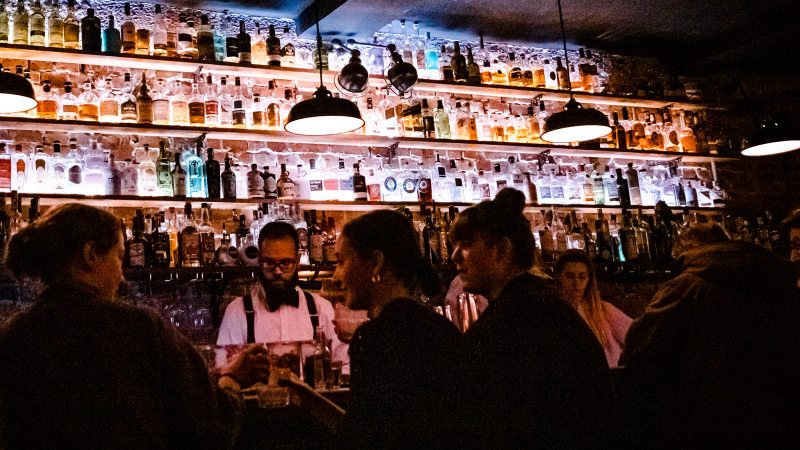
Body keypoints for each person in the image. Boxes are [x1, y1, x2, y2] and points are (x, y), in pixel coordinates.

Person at [0, 203, 269, 449]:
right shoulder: (139, 329)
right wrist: (231, 380)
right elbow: (209, 428)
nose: (122, 276)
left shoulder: (12, 334)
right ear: (90, 254)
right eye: (118, 258)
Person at [450, 188, 612, 449]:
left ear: (500, 250)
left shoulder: (514, 319)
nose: (454, 256)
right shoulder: (540, 301)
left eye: (466, 245)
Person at [620, 223, 800, 448]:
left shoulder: (687, 286)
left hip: (709, 422)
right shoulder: (780, 280)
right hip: (780, 418)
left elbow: (641, 346)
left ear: (688, 250)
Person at [333, 209, 467, 450]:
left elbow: (363, 437)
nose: (336, 275)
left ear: (376, 263)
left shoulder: (374, 339)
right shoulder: (441, 329)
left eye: (341, 261)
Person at [216, 221, 348, 373]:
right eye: (269, 263)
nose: (278, 271)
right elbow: (223, 371)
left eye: (286, 263)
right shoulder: (237, 312)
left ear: (297, 262)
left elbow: (344, 364)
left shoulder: (321, 309)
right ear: (259, 261)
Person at [555, 249, 632, 367]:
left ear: (589, 279)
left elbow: (639, 337)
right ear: (559, 277)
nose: (576, 282)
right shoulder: (551, 312)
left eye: (582, 277)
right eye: (570, 276)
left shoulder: (603, 310)